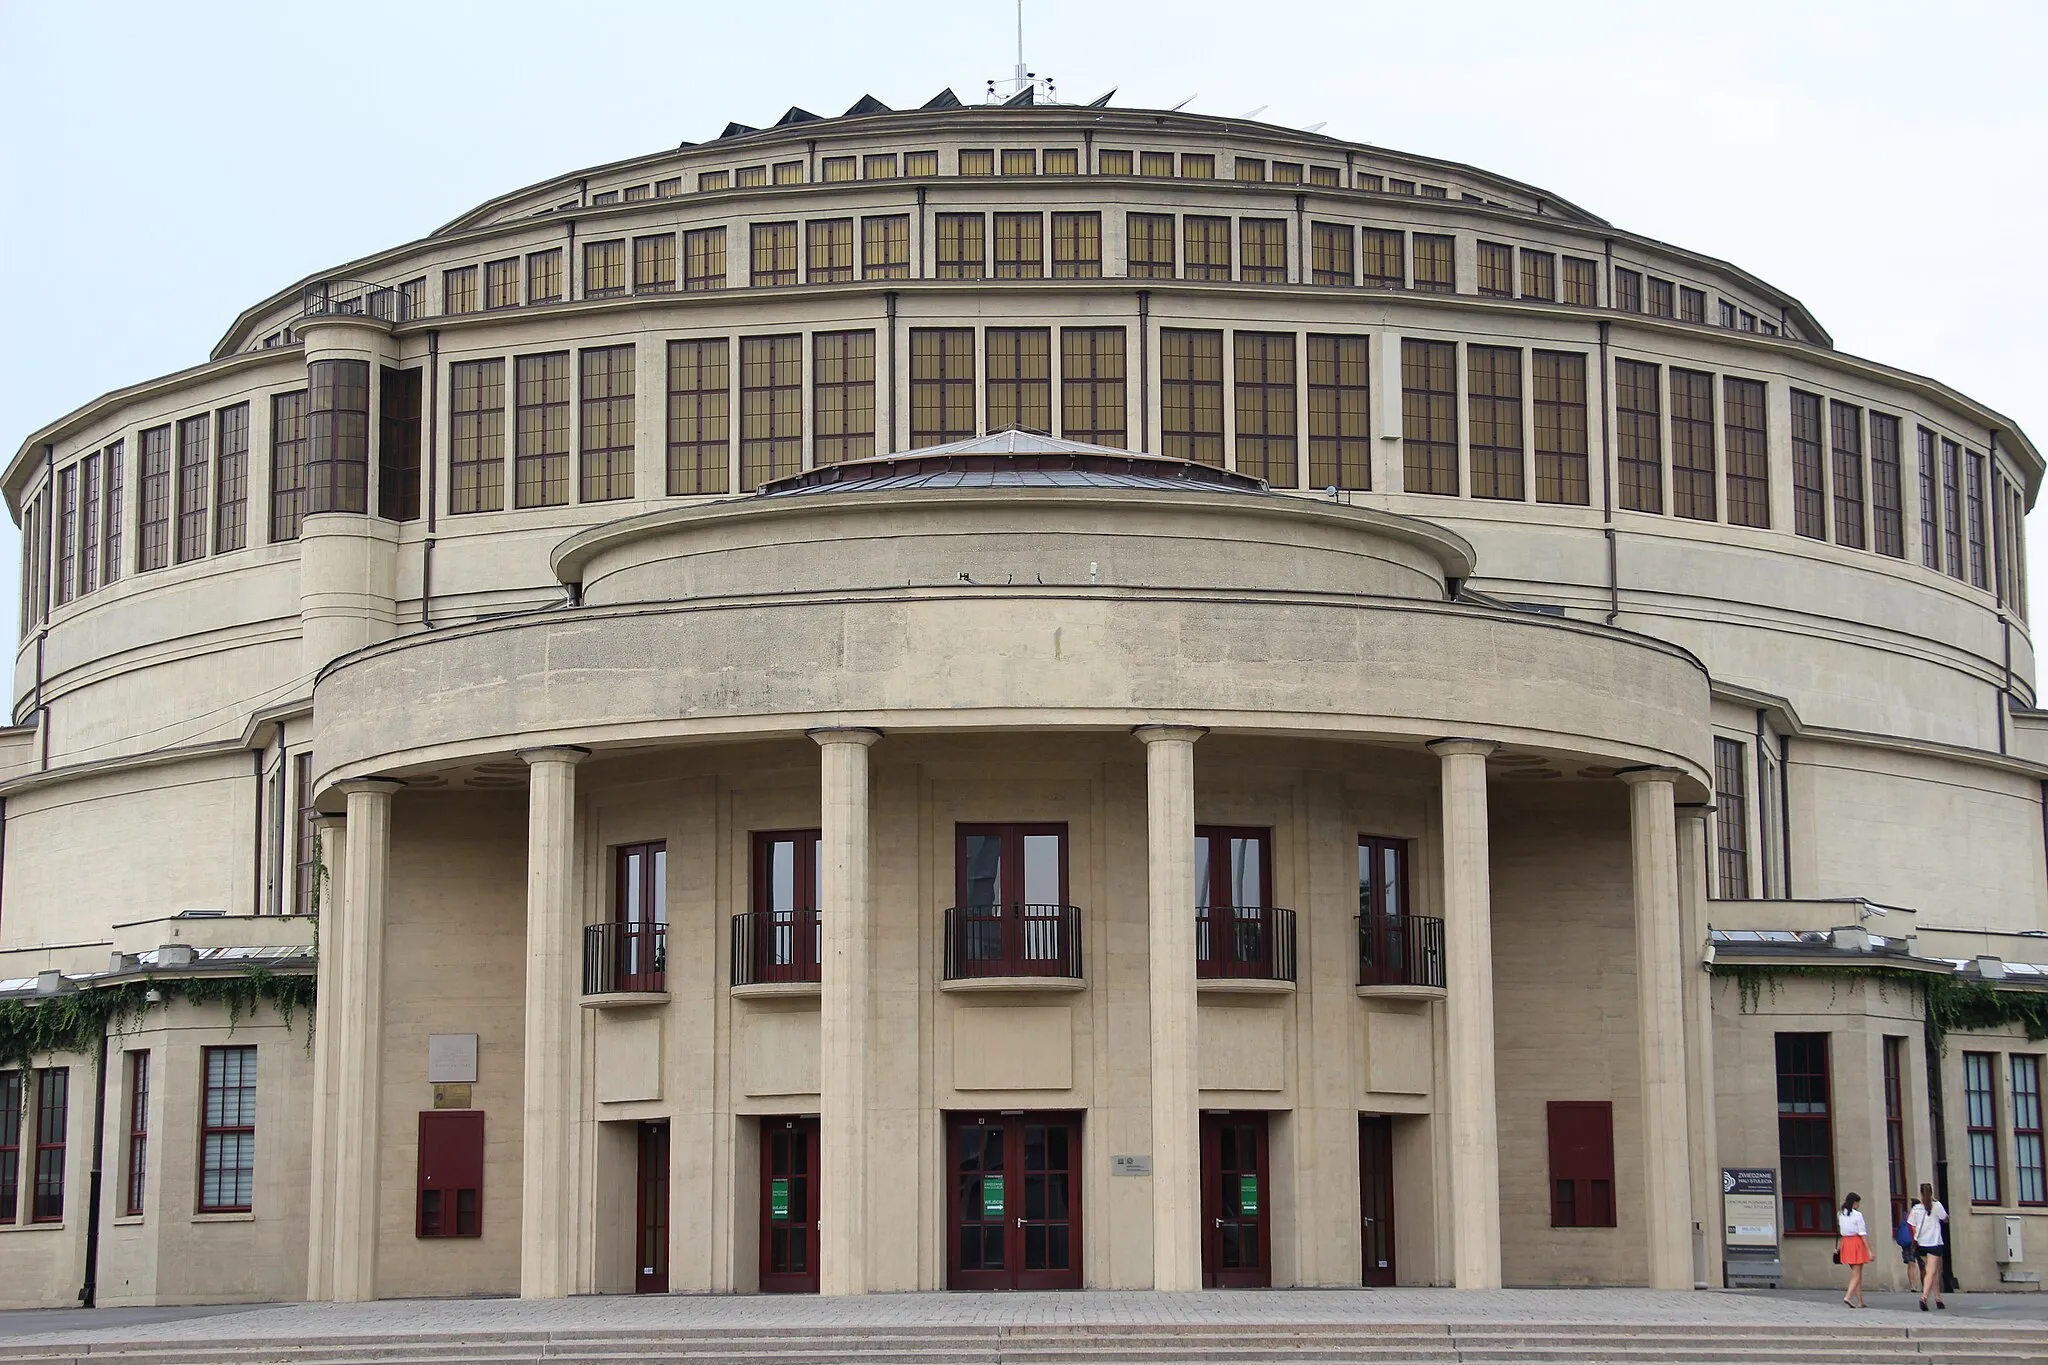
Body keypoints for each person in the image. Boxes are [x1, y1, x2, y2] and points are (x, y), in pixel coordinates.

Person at [1907, 1183, 1949, 1310]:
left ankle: (1938, 1299)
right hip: (1934, 1242)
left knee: (1932, 1271)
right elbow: (1945, 1218)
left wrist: (1916, 1236)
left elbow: (1912, 1225)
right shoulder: (1936, 1206)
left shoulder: (1916, 1209)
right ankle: (1924, 1297)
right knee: (1931, 1272)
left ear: (1920, 1193)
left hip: (1921, 1244)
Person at [1836, 1193, 1872, 1306]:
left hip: (1845, 1242)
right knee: (1856, 1273)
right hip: (1856, 1242)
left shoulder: (1841, 1214)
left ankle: (1861, 1301)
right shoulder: (1857, 1215)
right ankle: (1848, 1296)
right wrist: (1869, 1251)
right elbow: (1862, 1234)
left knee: (1856, 1273)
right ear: (1855, 1203)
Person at [1895, 1204, 1923, 1293]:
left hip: (1907, 1242)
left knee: (1911, 1264)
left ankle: (1912, 1286)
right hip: (1916, 1241)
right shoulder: (1918, 1216)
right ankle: (1925, 1285)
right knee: (1922, 1264)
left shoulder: (1905, 1216)